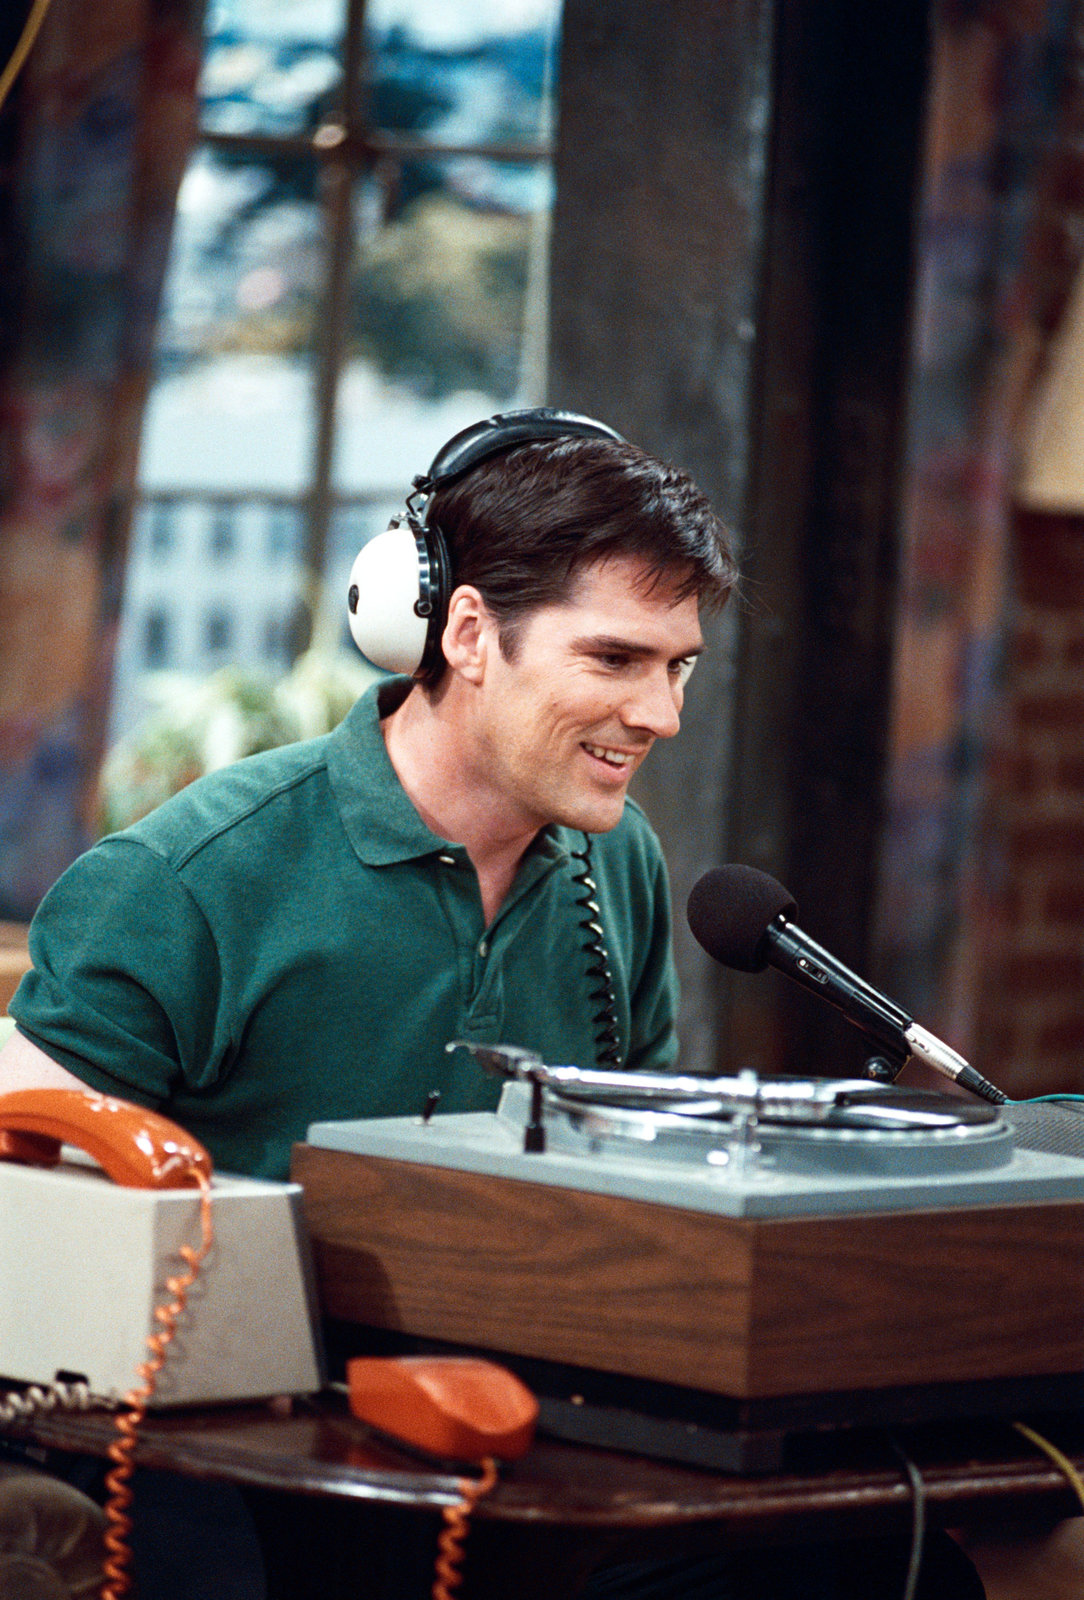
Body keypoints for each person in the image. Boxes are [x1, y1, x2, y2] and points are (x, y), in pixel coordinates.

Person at [0, 410, 985, 1599]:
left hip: (525, 1428)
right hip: (240, 1455)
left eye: (677, 667)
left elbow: (636, 1167)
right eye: (613, 660)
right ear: (465, 631)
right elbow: (35, 1238)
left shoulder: (616, 863)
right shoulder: (184, 879)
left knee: (878, 1564)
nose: (661, 715)